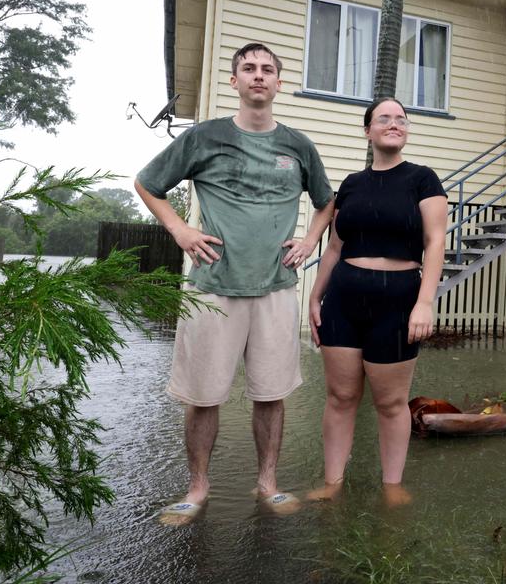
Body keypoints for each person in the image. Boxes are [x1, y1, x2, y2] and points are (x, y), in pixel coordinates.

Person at [135, 42, 334, 524]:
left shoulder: (299, 145)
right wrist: (180, 229)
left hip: (275, 288)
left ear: (279, 82)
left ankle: (267, 482)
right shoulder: (204, 138)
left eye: (268, 69)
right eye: (249, 68)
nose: (259, 76)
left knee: (271, 393)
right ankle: (197, 487)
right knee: (203, 396)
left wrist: (309, 240)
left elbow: (327, 202)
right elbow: (146, 183)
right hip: (212, 287)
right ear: (235, 81)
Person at [307, 96, 447, 507]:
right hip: (343, 300)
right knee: (340, 397)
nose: (394, 123)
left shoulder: (423, 179)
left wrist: (425, 303)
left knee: (390, 402)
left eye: (401, 119)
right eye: (383, 118)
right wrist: (316, 297)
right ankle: (332, 482)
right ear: (367, 130)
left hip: (399, 300)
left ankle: (392, 485)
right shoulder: (350, 184)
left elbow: (435, 242)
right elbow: (334, 247)